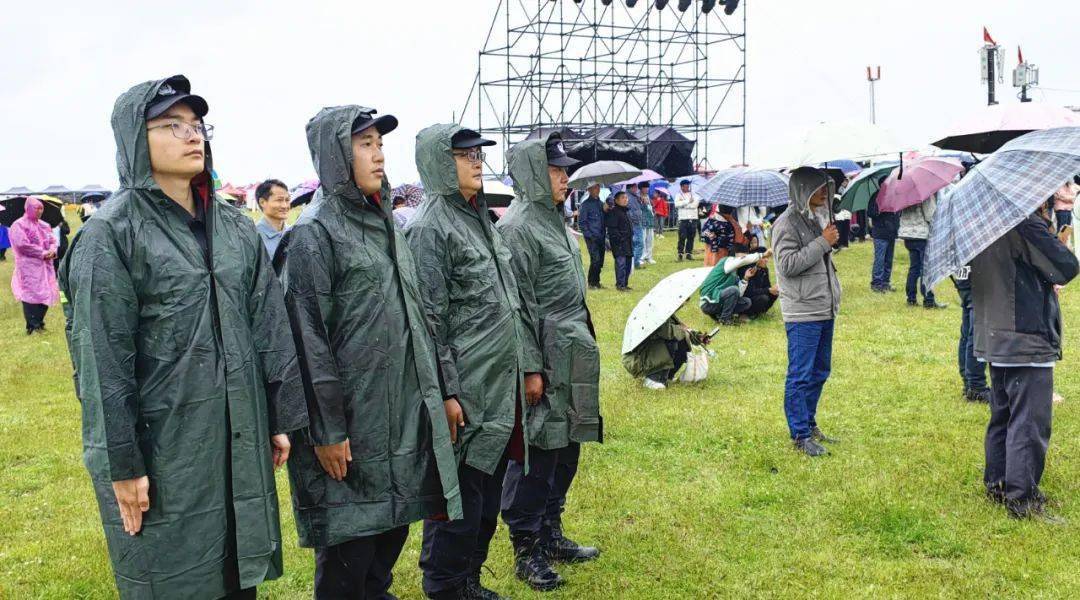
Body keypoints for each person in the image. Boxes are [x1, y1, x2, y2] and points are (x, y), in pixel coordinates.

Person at [59, 75, 307, 599]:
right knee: (176, 577)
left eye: (197, 125)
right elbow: (101, 361)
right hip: (165, 445)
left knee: (239, 570)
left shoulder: (234, 229)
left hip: (237, 431)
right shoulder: (111, 235)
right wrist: (121, 463)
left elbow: (268, 326)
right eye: (172, 125)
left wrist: (276, 415)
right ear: (135, 137)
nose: (192, 135)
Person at [278, 105, 462, 598]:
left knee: (391, 530)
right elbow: (307, 340)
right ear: (336, 154)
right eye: (365, 144)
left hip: (401, 413)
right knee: (349, 549)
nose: (378, 154)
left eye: (380, 144)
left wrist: (443, 392)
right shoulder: (314, 233)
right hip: (351, 424)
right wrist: (326, 430)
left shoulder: (386, 222)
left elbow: (420, 316)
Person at [405, 124, 537, 600]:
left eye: (478, 154)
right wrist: (446, 393)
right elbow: (429, 322)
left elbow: (507, 302)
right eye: (464, 155)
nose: (476, 162)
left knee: (485, 493)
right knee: (458, 496)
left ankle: (468, 579)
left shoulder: (480, 217)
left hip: (497, 384)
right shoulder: (429, 228)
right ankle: (444, 585)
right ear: (440, 161)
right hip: (465, 388)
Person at [497, 132, 602, 592]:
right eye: (556, 170)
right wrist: (529, 367)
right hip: (543, 353)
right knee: (537, 452)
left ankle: (551, 531)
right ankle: (526, 547)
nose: (565, 177)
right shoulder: (518, 227)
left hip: (572, 349)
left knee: (568, 445)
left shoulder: (555, 218)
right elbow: (516, 307)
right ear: (533, 173)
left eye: (565, 169)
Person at [970, 205, 1079, 521]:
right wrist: (1051, 237)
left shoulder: (982, 220)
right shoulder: (1024, 222)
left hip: (995, 331)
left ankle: (999, 483)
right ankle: (1022, 499)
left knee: (1003, 413)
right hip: (1024, 334)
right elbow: (1066, 266)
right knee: (1029, 420)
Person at [772, 167, 842, 457]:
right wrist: (823, 241)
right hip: (803, 311)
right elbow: (787, 265)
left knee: (820, 371)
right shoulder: (786, 224)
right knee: (800, 375)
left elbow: (817, 257)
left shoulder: (815, 218)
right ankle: (800, 434)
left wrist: (827, 240)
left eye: (826, 187)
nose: (825, 193)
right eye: (818, 188)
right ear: (803, 191)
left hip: (823, 306)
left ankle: (809, 423)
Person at [9, 197, 59, 334]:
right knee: (30, 294)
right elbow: (22, 245)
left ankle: (40, 322)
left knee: (46, 291)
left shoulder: (45, 225)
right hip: (28, 266)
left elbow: (53, 241)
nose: (40, 211)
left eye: (41, 208)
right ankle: (32, 326)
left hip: (46, 266)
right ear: (28, 208)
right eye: (37, 208)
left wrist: (52, 251)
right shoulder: (18, 225)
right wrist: (42, 253)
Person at [623, 317, 711, 390]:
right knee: (671, 341)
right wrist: (683, 330)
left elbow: (681, 330)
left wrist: (698, 337)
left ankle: (668, 376)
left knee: (682, 341)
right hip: (638, 359)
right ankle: (653, 379)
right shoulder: (650, 316)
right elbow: (667, 331)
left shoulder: (665, 313)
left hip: (648, 354)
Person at [699, 248, 771, 325]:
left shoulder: (735, 272)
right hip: (708, 303)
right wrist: (763, 255)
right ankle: (725, 319)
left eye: (746, 254)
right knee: (733, 290)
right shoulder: (726, 262)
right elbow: (742, 260)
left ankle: (719, 315)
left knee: (746, 302)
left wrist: (745, 278)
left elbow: (739, 294)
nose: (745, 256)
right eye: (743, 254)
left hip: (718, 301)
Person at [898, 195, 947, 309]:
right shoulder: (925, 195)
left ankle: (911, 298)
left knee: (914, 268)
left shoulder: (903, 195)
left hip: (908, 235)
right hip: (921, 236)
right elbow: (930, 215)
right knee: (926, 269)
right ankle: (928, 299)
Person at [867, 190, 899, 292]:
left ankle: (885, 282)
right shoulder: (876, 196)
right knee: (880, 259)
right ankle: (876, 283)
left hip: (891, 232)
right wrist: (879, 208)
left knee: (889, 260)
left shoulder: (895, 195)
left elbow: (898, 212)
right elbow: (870, 212)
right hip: (880, 233)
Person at [578, 182, 607, 289]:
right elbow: (582, 223)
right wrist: (589, 235)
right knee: (595, 260)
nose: (597, 190)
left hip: (601, 235)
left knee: (600, 261)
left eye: (598, 187)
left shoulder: (601, 203)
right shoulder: (585, 205)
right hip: (592, 237)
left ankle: (596, 281)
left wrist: (607, 209)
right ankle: (591, 282)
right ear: (589, 190)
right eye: (595, 188)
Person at [254, 178, 290, 260]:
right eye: (279, 200)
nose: (285, 206)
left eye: (287, 200)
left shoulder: (294, 233)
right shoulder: (254, 237)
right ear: (262, 202)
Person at [606, 190, 634, 291]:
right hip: (619, 243)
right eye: (622, 198)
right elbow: (612, 229)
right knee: (621, 264)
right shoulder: (614, 212)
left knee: (628, 264)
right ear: (616, 200)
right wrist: (620, 239)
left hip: (628, 242)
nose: (625, 199)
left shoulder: (626, 211)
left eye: (626, 198)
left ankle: (625, 284)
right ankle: (620, 285)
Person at [673, 179, 700, 260]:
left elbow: (695, 205)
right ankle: (680, 253)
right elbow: (677, 204)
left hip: (693, 218)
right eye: (685, 186)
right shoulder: (678, 195)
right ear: (681, 187)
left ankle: (689, 253)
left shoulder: (694, 194)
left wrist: (684, 205)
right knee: (682, 237)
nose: (687, 188)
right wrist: (688, 201)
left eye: (688, 186)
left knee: (691, 237)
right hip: (683, 219)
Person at [638, 182, 657, 265]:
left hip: (650, 221)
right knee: (643, 240)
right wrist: (643, 203)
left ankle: (649, 257)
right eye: (645, 188)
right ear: (641, 188)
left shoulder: (648, 196)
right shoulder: (638, 197)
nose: (647, 189)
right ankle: (641, 257)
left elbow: (650, 207)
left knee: (650, 240)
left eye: (647, 188)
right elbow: (638, 208)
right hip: (642, 221)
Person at [627, 184, 645, 269]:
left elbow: (639, 208)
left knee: (635, 244)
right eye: (635, 187)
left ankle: (633, 263)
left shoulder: (635, 196)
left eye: (636, 187)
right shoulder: (628, 197)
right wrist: (635, 219)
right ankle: (635, 263)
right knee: (639, 243)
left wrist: (641, 201)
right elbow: (629, 211)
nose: (636, 189)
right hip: (634, 223)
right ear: (630, 188)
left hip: (637, 223)